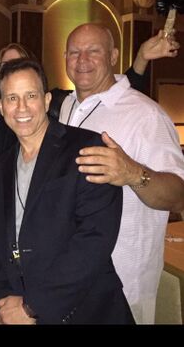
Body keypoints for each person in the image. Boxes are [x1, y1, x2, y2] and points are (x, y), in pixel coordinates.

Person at [0, 59, 134, 324]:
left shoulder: (87, 148)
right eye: (12, 98)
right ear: (1, 105)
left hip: (85, 311)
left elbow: (94, 240)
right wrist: (6, 299)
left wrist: (31, 307)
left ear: (47, 99)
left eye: (31, 96)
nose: (22, 107)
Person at [60, 23, 184, 325]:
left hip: (124, 289)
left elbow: (179, 196)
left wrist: (132, 173)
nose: (82, 59)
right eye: (74, 52)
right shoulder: (67, 106)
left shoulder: (146, 115)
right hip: (73, 281)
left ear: (113, 56)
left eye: (93, 51)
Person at [0, 31, 180, 156]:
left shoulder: (57, 101)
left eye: (20, 63)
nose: (13, 71)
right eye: (6, 65)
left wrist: (141, 59)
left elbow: (107, 95)